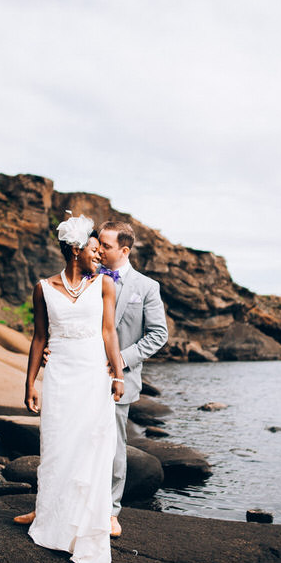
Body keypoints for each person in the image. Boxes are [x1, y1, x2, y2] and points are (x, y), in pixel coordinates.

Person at [14, 212, 125, 563]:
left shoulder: (104, 284)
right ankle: (52, 519)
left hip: (94, 376)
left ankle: (89, 523)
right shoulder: (43, 288)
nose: (99, 255)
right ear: (75, 250)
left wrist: (118, 375)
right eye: (94, 249)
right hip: (60, 376)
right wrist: (30, 382)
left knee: (92, 448)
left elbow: (109, 332)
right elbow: (39, 338)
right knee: (58, 447)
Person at [96, 221, 169, 538]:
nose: (98, 249)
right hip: (81, 374)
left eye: (106, 245)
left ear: (124, 250)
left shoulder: (147, 287)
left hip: (119, 378)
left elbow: (159, 335)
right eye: (97, 243)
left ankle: (111, 511)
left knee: (114, 447)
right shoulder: (87, 277)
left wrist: (119, 360)